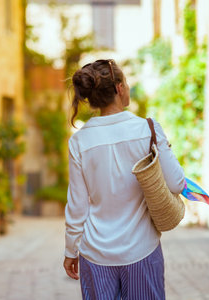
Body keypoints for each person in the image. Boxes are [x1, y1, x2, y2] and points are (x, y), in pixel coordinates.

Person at [63, 59, 185, 300]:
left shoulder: (79, 141)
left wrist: (70, 250)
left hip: (95, 253)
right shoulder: (148, 129)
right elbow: (176, 184)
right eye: (126, 82)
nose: (127, 87)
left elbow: (77, 207)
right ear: (119, 88)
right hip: (142, 249)